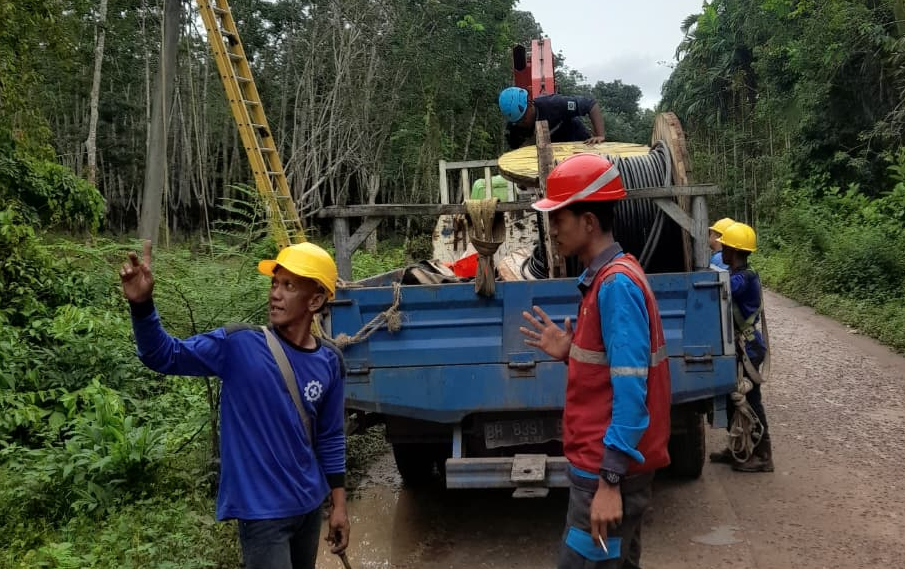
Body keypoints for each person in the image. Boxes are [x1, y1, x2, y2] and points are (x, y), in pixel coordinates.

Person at [119, 240, 350, 569]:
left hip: (309, 507)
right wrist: (142, 307)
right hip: (262, 514)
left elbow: (330, 436)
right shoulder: (238, 345)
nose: (275, 294)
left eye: (288, 286)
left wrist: (338, 505)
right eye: (274, 283)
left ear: (314, 300)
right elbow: (164, 355)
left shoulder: (330, 361)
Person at [519, 153, 671, 568]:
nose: (552, 231)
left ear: (588, 222)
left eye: (559, 220)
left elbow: (630, 390)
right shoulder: (608, 279)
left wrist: (609, 481)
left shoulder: (616, 286)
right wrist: (571, 353)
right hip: (604, 467)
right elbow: (614, 371)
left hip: (605, 472)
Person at [708, 222, 774, 473]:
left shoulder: (742, 280)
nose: (721, 249)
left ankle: (763, 455)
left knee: (751, 399)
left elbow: (722, 289)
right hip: (742, 345)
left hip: (748, 347)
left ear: (733, 252)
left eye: (724, 247)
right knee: (732, 397)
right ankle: (740, 446)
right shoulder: (739, 275)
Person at [498, 86, 606, 149]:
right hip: (552, 157)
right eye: (518, 121)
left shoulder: (554, 105)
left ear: (530, 103)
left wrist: (600, 135)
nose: (522, 123)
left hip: (578, 145)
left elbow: (591, 105)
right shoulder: (513, 128)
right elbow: (517, 154)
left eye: (524, 118)